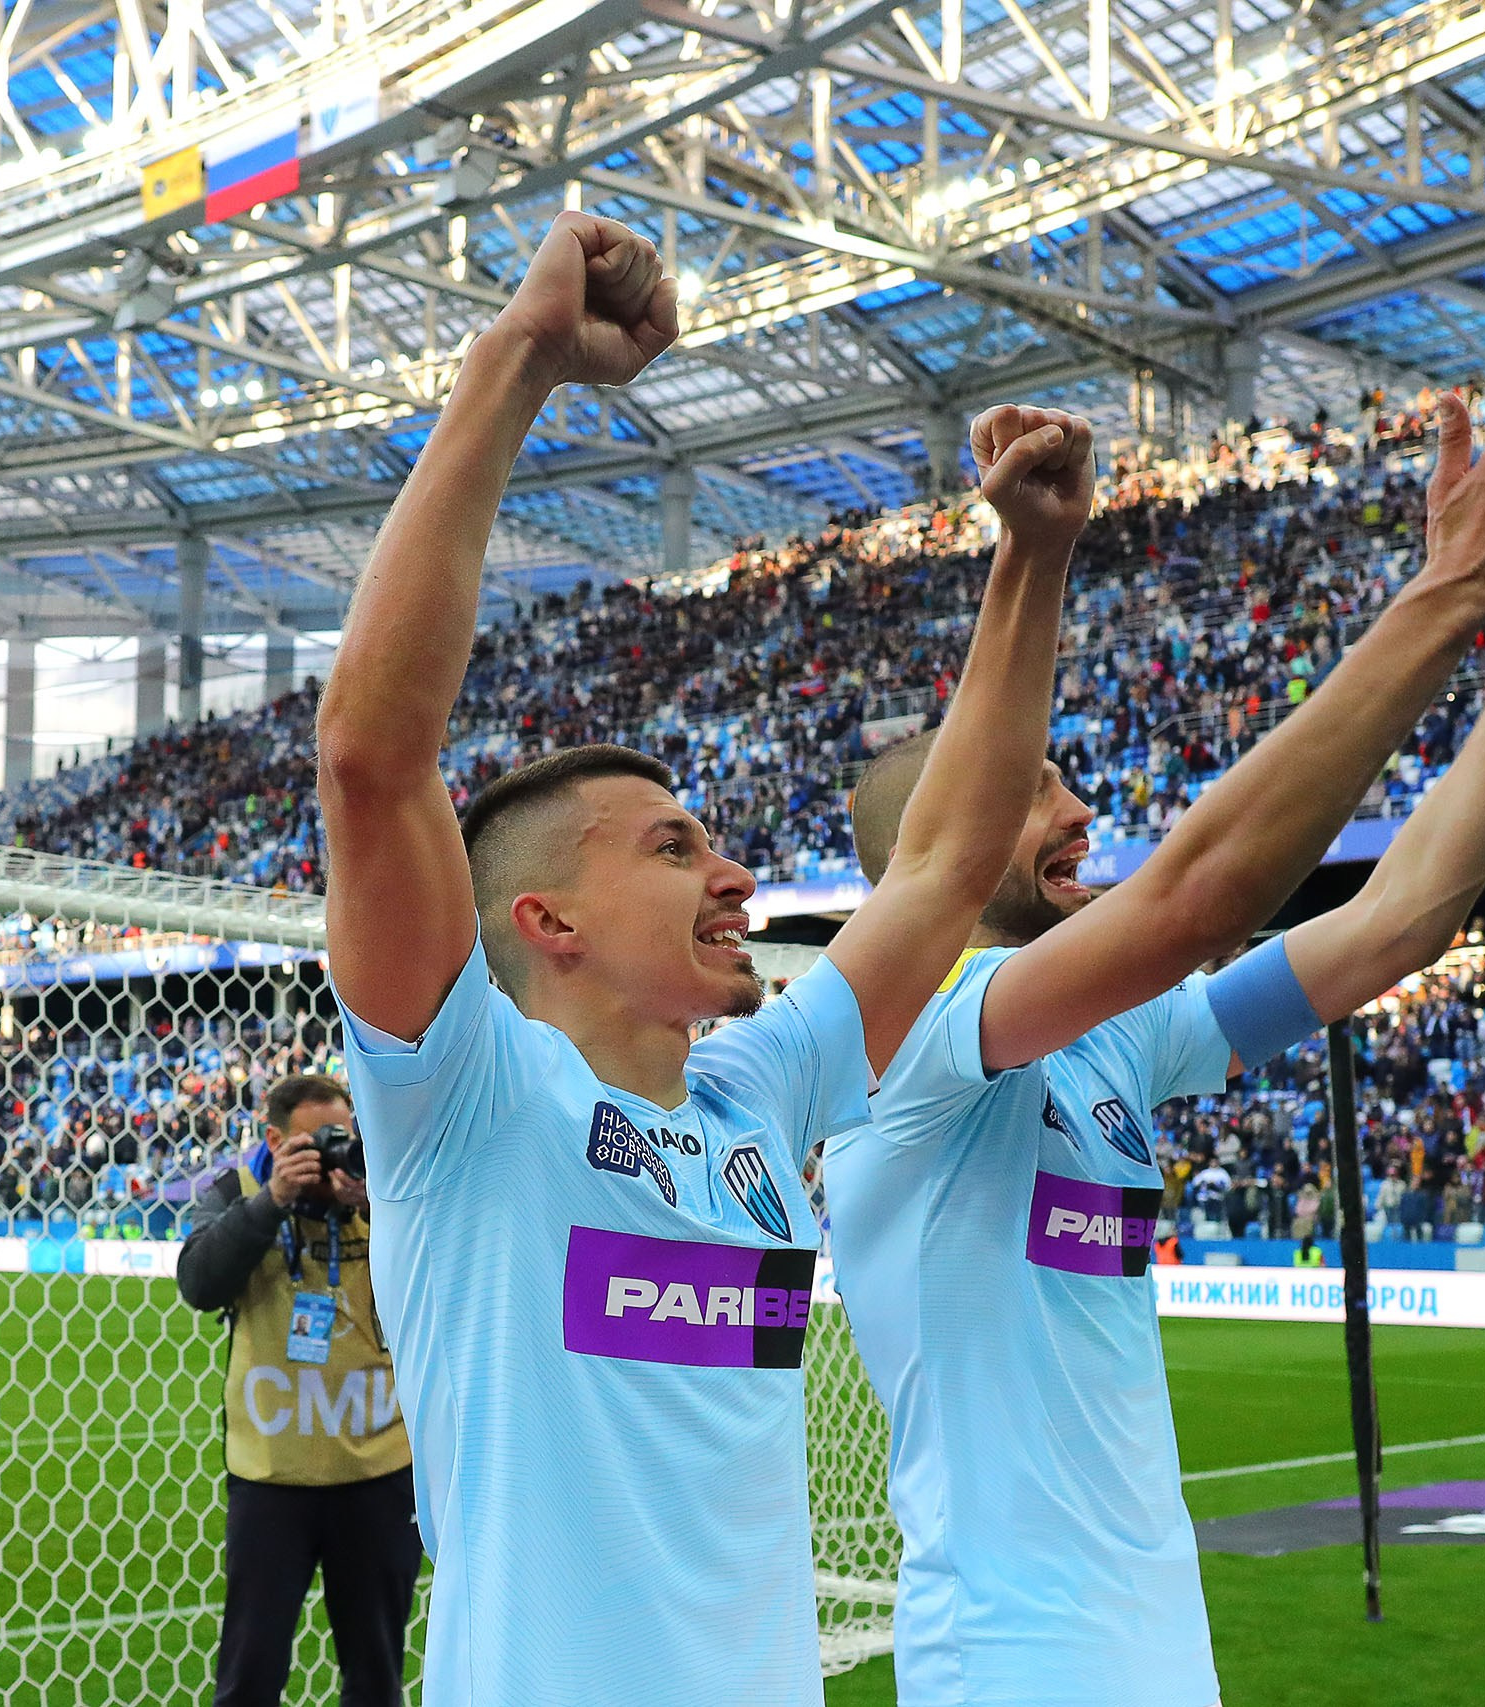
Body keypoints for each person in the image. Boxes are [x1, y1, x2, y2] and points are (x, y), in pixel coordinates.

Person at [317, 210, 1091, 1706]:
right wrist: (521, 361)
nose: (734, 872)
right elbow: (369, 754)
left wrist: (1034, 561)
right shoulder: (467, 1095)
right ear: (545, 921)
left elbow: (938, 862)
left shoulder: (752, 1096)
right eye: (673, 848)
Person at [827, 327, 1485, 1707]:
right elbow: (1195, 898)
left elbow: (1396, 921)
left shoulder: (1106, 1037)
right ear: (948, 831)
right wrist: (1449, 589)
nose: (1084, 808)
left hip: (1149, 1651)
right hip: (1016, 1670)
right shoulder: (907, 1032)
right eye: (1042, 787)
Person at [175, 1075, 416, 1707]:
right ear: (275, 1139)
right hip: (271, 1480)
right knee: (250, 1677)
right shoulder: (236, 1191)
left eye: (344, 1137)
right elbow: (199, 1284)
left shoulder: (387, 1196)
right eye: (315, 1142)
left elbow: (443, 1284)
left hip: (377, 1477)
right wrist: (272, 1202)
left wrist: (375, 1210)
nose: (334, 1151)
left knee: (376, 1679)